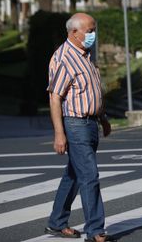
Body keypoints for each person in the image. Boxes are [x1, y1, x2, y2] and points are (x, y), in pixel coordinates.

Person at [45, 13, 113, 242]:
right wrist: (59, 133)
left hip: (90, 123)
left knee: (74, 175)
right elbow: (55, 98)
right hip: (75, 124)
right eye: (89, 30)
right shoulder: (64, 58)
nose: (93, 35)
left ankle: (56, 222)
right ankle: (95, 230)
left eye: (94, 29)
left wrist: (103, 118)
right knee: (89, 176)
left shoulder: (85, 55)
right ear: (73, 32)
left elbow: (91, 91)